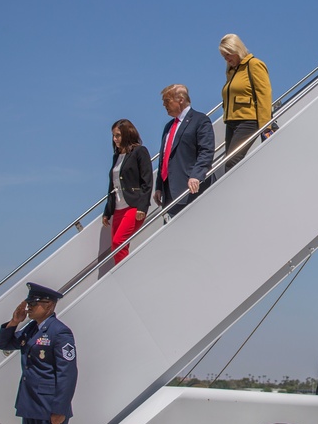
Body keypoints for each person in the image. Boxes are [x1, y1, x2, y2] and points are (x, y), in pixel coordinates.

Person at [0, 283, 77, 424]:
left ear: (49, 306)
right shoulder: (31, 328)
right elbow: (4, 344)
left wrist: (60, 409)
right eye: (29, 303)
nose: (29, 308)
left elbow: (67, 374)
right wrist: (14, 321)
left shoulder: (59, 332)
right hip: (30, 404)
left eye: (34, 303)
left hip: (48, 406)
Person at [154, 84, 215, 218]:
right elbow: (164, 158)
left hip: (190, 190)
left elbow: (206, 151)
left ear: (180, 99)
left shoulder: (200, 120)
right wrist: (158, 186)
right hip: (169, 193)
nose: (164, 105)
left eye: (167, 100)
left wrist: (196, 176)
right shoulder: (168, 127)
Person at [220, 33, 272, 172]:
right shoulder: (231, 72)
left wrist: (266, 126)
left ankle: (233, 192)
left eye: (228, 54)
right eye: (224, 56)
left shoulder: (254, 65)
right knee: (229, 162)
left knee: (232, 162)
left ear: (236, 49)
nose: (226, 59)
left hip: (248, 120)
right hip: (231, 122)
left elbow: (264, 95)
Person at [102, 119, 152, 264]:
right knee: (115, 247)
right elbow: (113, 185)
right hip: (118, 209)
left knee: (119, 243)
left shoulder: (139, 152)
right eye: (113, 136)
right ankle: (121, 274)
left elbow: (147, 181)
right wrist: (107, 211)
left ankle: (123, 277)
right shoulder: (116, 156)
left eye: (118, 135)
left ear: (127, 134)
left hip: (133, 206)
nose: (115, 139)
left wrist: (142, 207)